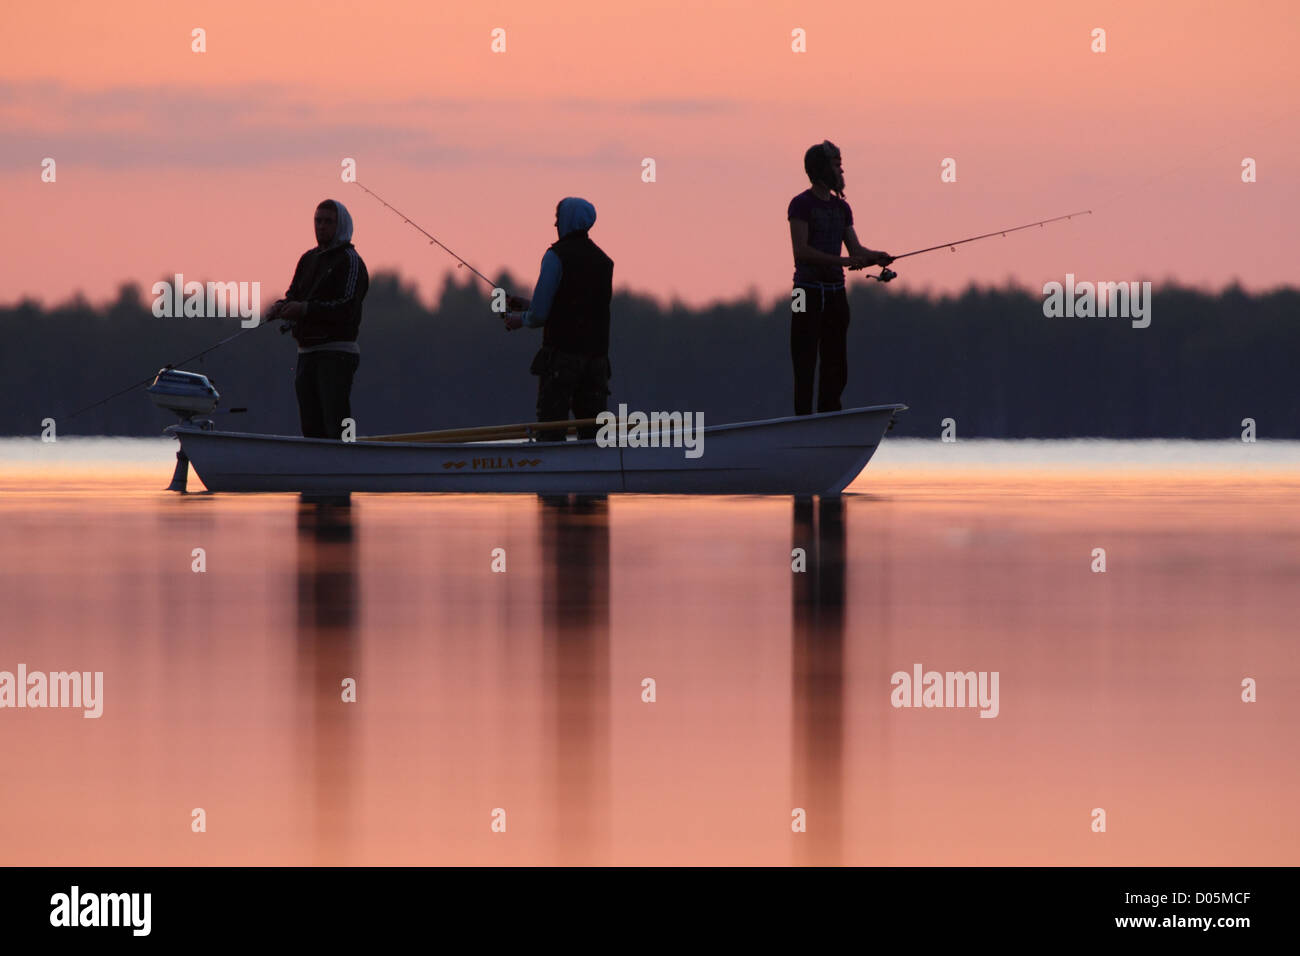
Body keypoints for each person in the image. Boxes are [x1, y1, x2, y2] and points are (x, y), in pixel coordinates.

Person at [787, 141, 892, 416]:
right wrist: (845, 262)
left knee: (836, 363)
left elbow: (855, 250)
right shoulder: (800, 205)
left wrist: (876, 256)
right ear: (821, 169)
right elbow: (802, 252)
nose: (841, 169)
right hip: (804, 294)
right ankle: (803, 420)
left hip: (835, 293)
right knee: (804, 359)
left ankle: (829, 417)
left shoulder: (842, 209)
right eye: (836, 164)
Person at [503, 197, 613, 441]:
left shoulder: (556, 257)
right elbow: (580, 309)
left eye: (557, 219)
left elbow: (541, 315)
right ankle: (596, 474)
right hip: (597, 362)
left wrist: (519, 319)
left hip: (562, 361)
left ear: (567, 221)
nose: (555, 225)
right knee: (593, 434)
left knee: (551, 430)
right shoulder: (604, 262)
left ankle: (552, 473)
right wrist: (530, 306)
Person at [266, 199, 369, 440]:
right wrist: (281, 307)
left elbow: (346, 307)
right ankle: (317, 465)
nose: (321, 226)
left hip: (336, 353)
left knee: (337, 419)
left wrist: (304, 310)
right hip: (306, 353)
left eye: (328, 222)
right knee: (310, 425)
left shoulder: (350, 261)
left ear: (340, 224)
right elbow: (294, 294)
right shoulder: (307, 259)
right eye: (318, 221)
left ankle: (347, 456)